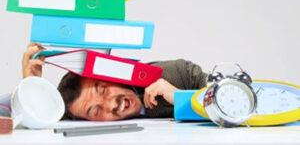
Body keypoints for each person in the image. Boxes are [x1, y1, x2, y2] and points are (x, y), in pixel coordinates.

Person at [23, 43, 207, 121]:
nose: (112, 103)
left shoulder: (180, 74)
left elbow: (232, 101)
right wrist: (31, 85)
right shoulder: (70, 118)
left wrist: (181, 98)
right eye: (95, 111)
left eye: (103, 89)